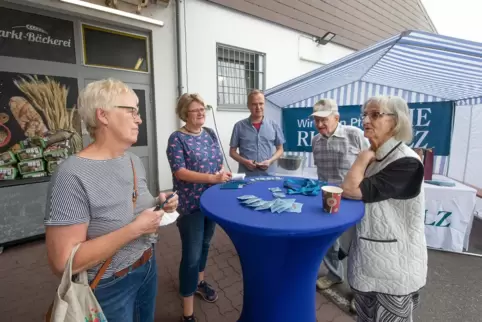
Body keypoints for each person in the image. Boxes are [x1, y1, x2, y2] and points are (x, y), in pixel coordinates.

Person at [44, 78, 179, 322]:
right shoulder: (71, 174)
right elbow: (63, 262)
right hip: (108, 285)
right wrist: (135, 229)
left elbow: (131, 206)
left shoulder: (132, 160)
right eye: (132, 111)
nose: (139, 119)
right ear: (103, 115)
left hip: (147, 266)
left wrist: (158, 202)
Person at [342, 95, 427, 322]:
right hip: (368, 261)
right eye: (365, 115)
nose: (366, 120)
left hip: (394, 270)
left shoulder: (406, 162)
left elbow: (350, 190)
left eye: (375, 114)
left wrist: (361, 159)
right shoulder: (377, 156)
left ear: (396, 122)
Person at [166, 93, 232, 322]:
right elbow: (180, 172)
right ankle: (187, 312)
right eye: (196, 110)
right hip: (190, 205)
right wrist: (212, 179)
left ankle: (199, 282)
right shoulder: (177, 139)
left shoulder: (210, 134)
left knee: (205, 245)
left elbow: (217, 161)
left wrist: (221, 174)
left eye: (203, 108)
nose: (202, 112)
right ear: (185, 114)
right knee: (191, 256)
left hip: (211, 203)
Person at [311, 98, 368, 312]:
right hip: (328, 199)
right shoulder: (316, 140)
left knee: (356, 248)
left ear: (336, 117)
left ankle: (359, 292)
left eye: (324, 119)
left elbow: (370, 164)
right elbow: (320, 173)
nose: (320, 124)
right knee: (329, 243)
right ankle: (334, 275)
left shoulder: (355, 135)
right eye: (316, 120)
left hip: (354, 200)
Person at [229, 89, 285, 176]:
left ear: (264, 104)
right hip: (246, 176)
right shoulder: (239, 126)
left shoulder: (274, 125)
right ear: (248, 106)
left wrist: (270, 161)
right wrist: (245, 162)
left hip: (268, 176)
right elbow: (232, 152)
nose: (258, 107)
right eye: (254, 104)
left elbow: (280, 150)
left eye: (261, 103)